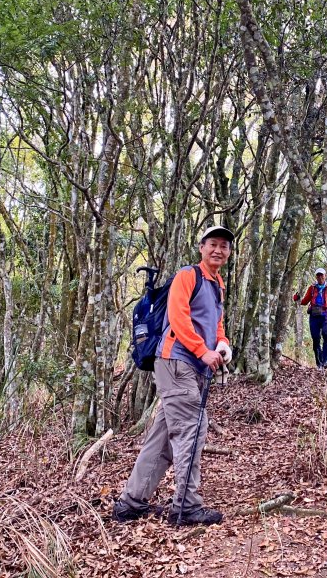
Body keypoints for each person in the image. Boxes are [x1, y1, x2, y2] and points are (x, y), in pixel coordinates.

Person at [113, 225, 235, 527]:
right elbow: (178, 318)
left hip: (192, 367)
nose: (218, 250)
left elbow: (215, 325)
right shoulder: (187, 276)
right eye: (213, 244)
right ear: (201, 247)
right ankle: (187, 507)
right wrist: (200, 350)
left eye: (224, 246)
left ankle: (131, 502)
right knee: (193, 428)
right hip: (176, 361)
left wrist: (222, 345)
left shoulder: (217, 283)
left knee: (164, 439)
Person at [294, 268, 327, 369]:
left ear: (325, 276)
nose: (320, 277)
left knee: (326, 335)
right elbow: (305, 301)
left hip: (326, 315)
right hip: (314, 315)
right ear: (316, 277)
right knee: (316, 338)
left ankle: (325, 360)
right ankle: (319, 364)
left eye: (321, 275)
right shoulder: (312, 288)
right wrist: (297, 299)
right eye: (318, 275)